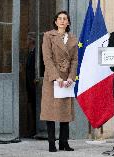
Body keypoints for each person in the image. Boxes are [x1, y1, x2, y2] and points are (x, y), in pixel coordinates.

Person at [40, 11, 78, 152]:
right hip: (52, 78)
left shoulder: (73, 38)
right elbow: (47, 58)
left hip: (67, 78)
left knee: (65, 112)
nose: (62, 21)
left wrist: (70, 77)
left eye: (65, 19)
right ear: (55, 22)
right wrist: (57, 77)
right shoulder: (48, 36)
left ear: (68, 22)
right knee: (50, 111)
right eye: (59, 19)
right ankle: (51, 143)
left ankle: (64, 142)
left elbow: (74, 60)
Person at [26, 32, 36, 137]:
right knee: (32, 107)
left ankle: (35, 130)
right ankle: (32, 130)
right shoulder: (30, 53)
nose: (26, 42)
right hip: (29, 85)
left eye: (28, 39)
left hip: (34, 85)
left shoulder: (36, 53)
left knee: (35, 107)